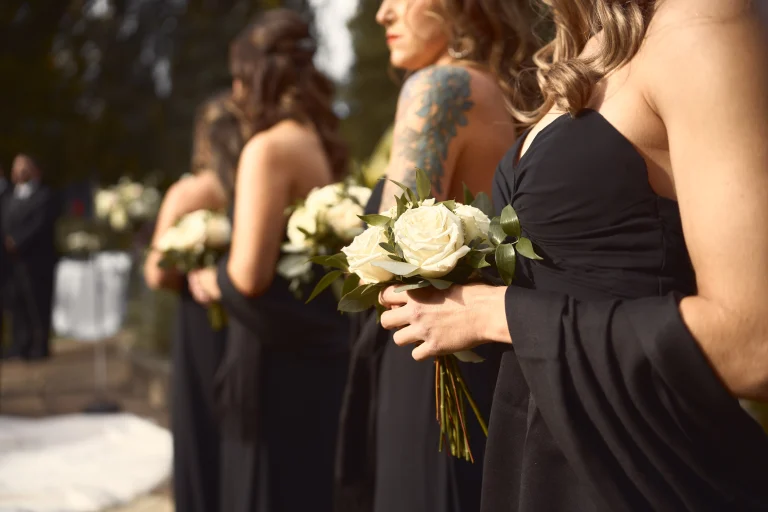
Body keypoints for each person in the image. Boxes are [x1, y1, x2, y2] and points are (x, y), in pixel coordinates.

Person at [378, 0, 768, 510]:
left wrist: (498, 314)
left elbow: (751, 342)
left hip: (639, 473)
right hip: (538, 458)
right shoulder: (588, 46)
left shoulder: (703, 21)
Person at [336, 1, 539, 512]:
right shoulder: (520, 92)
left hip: (430, 364)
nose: (383, 14)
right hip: (492, 365)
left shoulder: (438, 88)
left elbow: (387, 257)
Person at [186, 9, 350, 512]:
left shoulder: (267, 149)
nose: (236, 92)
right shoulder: (317, 139)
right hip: (313, 353)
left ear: (255, 76)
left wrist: (209, 278)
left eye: (239, 76)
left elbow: (249, 276)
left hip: (272, 361)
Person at [144, 92, 241, 512]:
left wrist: (189, 264)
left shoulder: (188, 192)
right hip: (248, 320)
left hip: (199, 326)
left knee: (199, 425)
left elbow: (155, 272)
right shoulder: (255, 186)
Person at [1, 154, 58, 360]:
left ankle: (39, 346)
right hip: (12, 262)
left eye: (25, 167)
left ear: (34, 170)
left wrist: (17, 240)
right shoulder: (9, 197)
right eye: (17, 167)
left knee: (37, 304)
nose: (20, 172)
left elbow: (40, 224)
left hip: (36, 261)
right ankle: (20, 345)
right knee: (17, 304)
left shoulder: (44, 195)